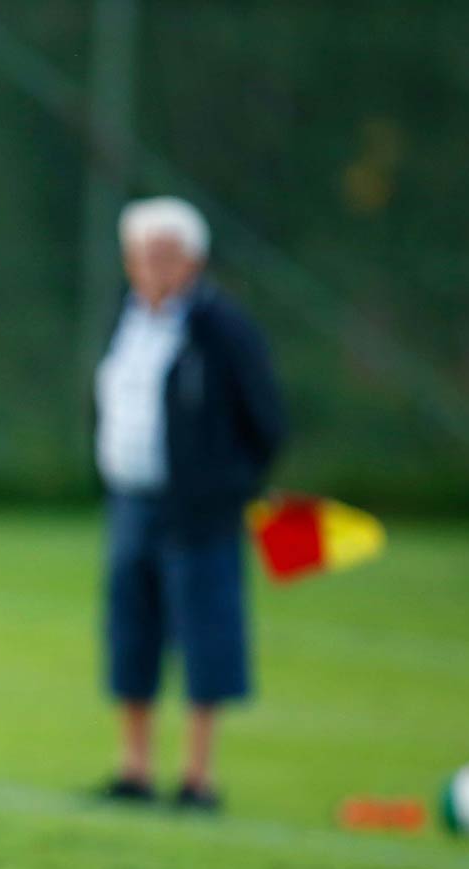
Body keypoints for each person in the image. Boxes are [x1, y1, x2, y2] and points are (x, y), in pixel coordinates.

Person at [94, 197, 285, 812]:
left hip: (199, 512)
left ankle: (198, 776)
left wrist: (224, 486)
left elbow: (266, 421)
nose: (152, 265)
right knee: (132, 629)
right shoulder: (124, 318)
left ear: (194, 260)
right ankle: (134, 768)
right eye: (142, 254)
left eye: (165, 254)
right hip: (131, 501)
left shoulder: (221, 327)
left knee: (206, 635)